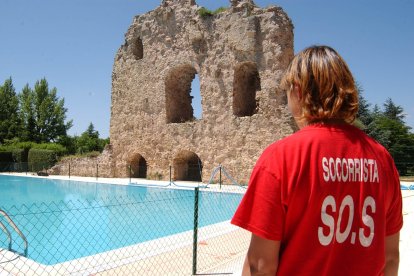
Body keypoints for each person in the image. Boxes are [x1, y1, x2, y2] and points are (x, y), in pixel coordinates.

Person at [231, 45, 403, 276]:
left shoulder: (280, 158)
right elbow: (390, 258)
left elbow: (260, 266)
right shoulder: (382, 159)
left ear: (299, 92)